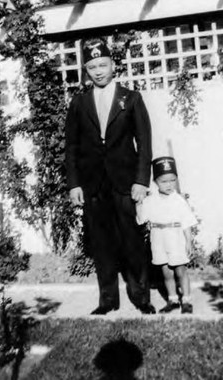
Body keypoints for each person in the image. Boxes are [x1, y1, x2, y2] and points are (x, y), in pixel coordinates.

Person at [65, 38, 155, 315]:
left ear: (113, 65)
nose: (98, 71)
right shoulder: (79, 103)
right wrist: (74, 184)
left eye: (103, 64)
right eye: (92, 66)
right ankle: (107, 301)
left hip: (125, 183)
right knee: (101, 244)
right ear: (86, 70)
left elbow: (145, 141)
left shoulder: (131, 98)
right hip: (94, 186)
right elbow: (71, 147)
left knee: (132, 240)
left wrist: (141, 180)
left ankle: (141, 297)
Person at [136, 156, 197, 313]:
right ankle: (173, 300)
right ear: (156, 182)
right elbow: (141, 219)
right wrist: (138, 203)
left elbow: (186, 222)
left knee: (180, 270)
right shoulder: (150, 201)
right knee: (167, 272)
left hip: (176, 238)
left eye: (172, 180)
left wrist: (189, 241)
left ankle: (187, 301)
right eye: (164, 181)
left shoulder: (179, 200)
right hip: (158, 238)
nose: (169, 185)